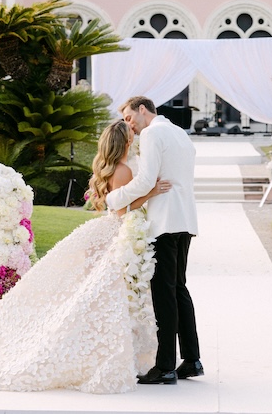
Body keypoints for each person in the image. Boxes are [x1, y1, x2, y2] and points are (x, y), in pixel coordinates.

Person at [0, 120, 171, 394]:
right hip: (117, 235)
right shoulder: (121, 170)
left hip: (106, 231)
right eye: (130, 140)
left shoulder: (111, 168)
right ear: (124, 143)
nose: (133, 143)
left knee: (92, 297)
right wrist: (151, 193)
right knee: (105, 297)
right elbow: (123, 211)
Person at [106, 95, 202, 386]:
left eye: (129, 117)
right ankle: (192, 360)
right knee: (179, 290)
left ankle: (165, 367)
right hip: (185, 220)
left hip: (163, 222)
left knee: (164, 294)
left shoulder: (152, 134)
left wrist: (114, 198)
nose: (129, 125)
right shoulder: (180, 134)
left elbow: (147, 180)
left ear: (143, 110)